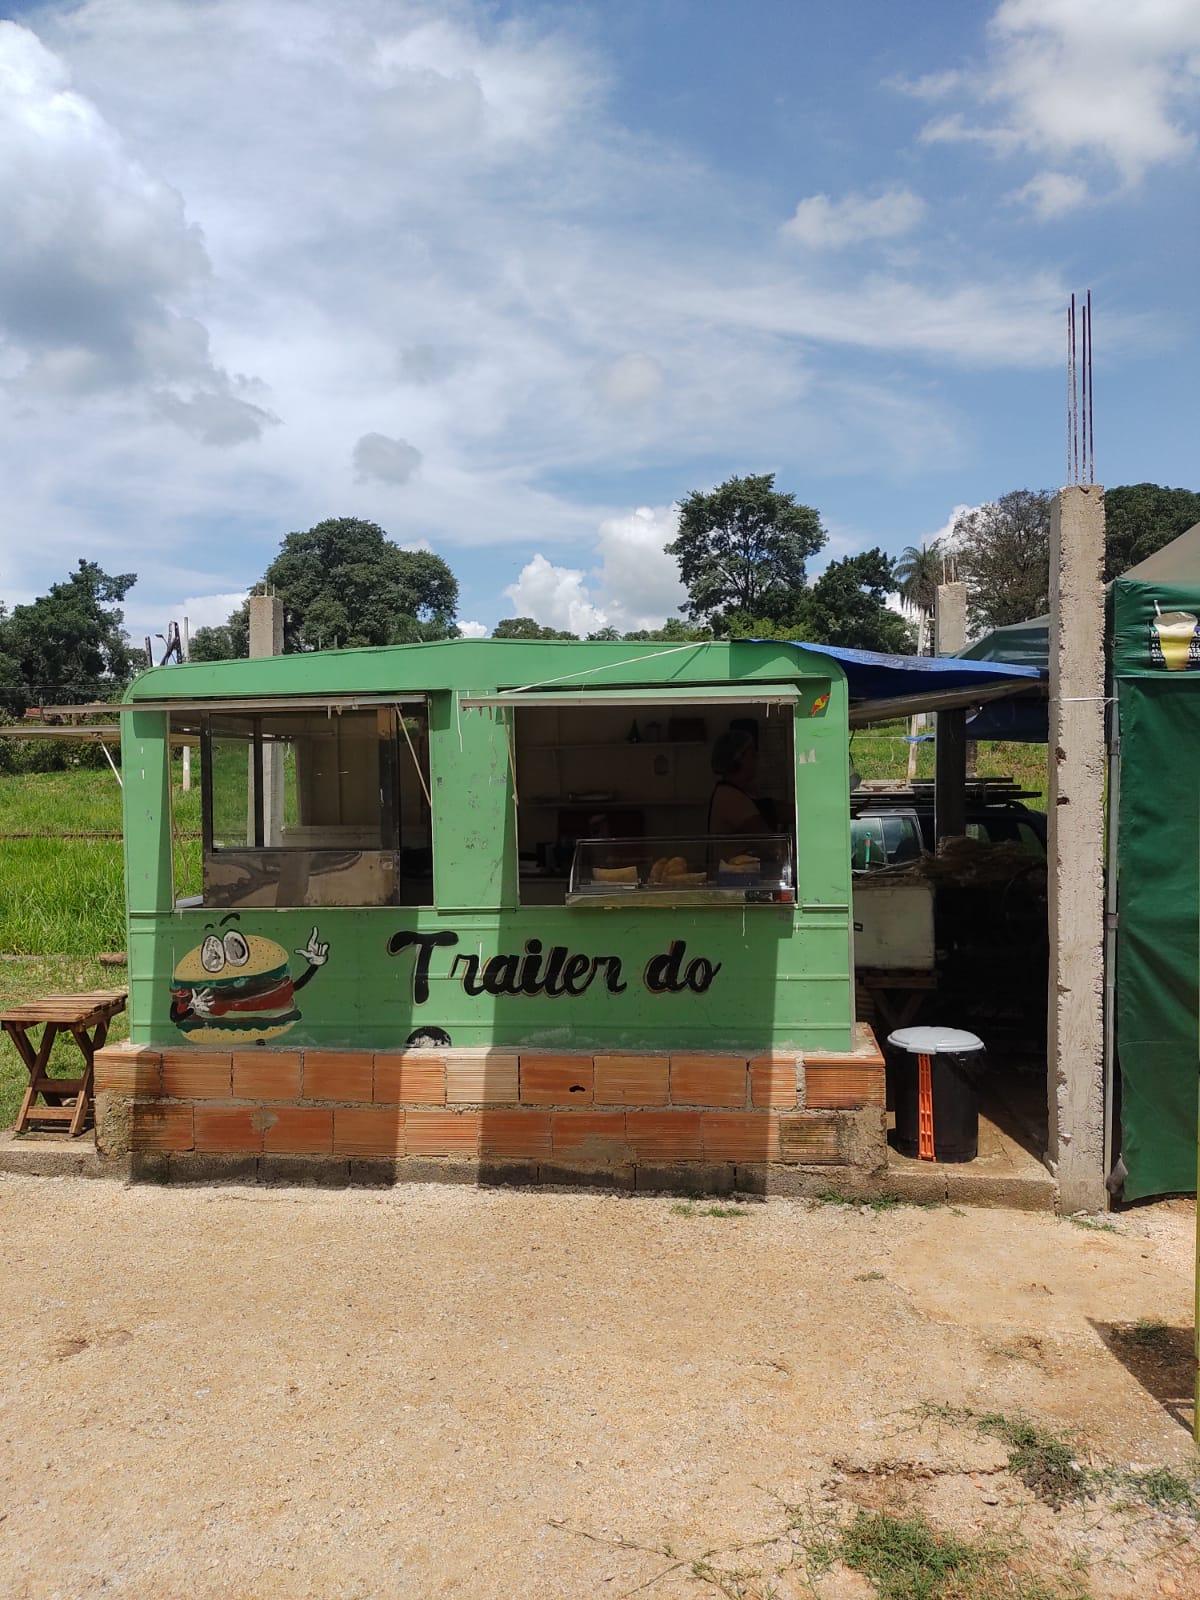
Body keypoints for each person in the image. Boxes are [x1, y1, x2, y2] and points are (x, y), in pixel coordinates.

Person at [708, 728, 771, 836]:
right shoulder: (731, 798)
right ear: (738, 759)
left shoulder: (732, 792)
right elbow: (770, 844)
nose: (757, 759)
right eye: (752, 755)